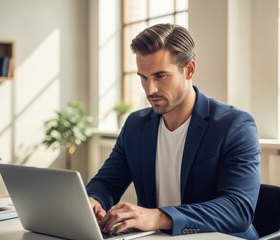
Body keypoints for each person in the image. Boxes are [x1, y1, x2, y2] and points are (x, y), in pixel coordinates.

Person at [86, 23, 260, 239]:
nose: (150, 90)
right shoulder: (135, 125)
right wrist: (93, 201)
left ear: (189, 69)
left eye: (160, 76)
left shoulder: (235, 125)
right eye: (143, 77)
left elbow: (237, 209)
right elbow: (107, 182)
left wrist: (158, 217)